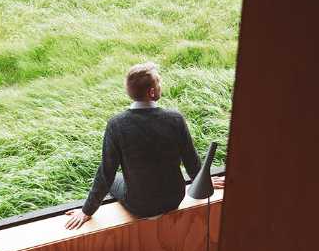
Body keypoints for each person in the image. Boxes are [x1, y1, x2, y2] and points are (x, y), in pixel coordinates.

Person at [65, 62, 218, 230]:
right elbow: (191, 160)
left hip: (139, 207)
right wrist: (203, 180)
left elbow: (106, 172)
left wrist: (86, 211)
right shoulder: (175, 119)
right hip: (174, 199)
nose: (160, 85)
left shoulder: (117, 124)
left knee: (115, 177)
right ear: (151, 92)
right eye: (158, 82)